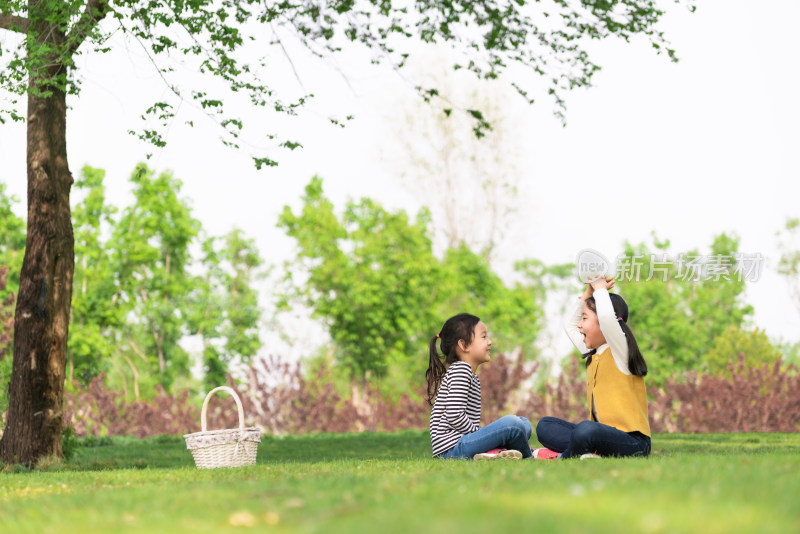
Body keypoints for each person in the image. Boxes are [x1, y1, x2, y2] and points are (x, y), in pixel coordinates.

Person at [533, 276, 651, 459]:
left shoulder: (620, 350)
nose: (580, 325)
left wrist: (600, 289)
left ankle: (562, 457)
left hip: (633, 441)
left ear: (604, 324)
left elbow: (606, 318)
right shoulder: (595, 352)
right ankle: (589, 452)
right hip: (600, 436)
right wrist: (588, 294)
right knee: (545, 426)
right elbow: (570, 326)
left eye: (585, 318)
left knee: (586, 430)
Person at [427, 313, 533, 460]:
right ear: (463, 345)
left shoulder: (469, 374)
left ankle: (494, 454)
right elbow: (454, 414)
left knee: (523, 423)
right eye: (483, 337)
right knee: (513, 424)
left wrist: (481, 434)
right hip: (452, 449)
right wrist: (478, 433)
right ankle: (529, 456)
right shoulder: (461, 369)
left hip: (460, 444)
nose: (489, 342)